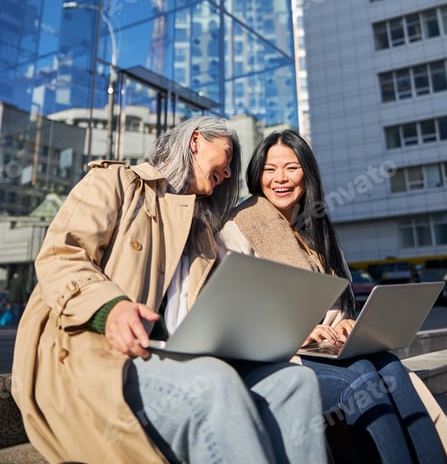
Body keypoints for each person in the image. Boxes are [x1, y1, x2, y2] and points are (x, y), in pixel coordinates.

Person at [12, 117, 328, 464]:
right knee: (213, 382)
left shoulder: (204, 233)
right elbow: (61, 255)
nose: (227, 174)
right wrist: (111, 307)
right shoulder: (115, 182)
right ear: (195, 141)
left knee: (296, 384)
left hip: (183, 356)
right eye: (226, 157)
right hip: (104, 355)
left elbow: (215, 312)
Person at [219, 129, 447, 464]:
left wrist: (348, 323)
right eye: (270, 169)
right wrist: (294, 331)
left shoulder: (316, 230)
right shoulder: (239, 225)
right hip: (277, 356)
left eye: (291, 168)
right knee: (362, 379)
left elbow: (337, 303)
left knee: (392, 367)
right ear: (257, 174)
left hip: (324, 350)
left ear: (307, 175)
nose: (280, 178)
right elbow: (232, 308)